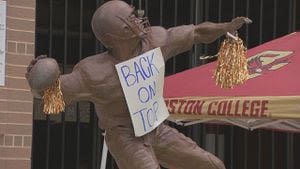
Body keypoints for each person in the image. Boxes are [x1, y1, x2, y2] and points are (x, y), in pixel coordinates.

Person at [26, 0, 251, 168]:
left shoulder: (156, 41)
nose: (138, 18)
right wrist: (37, 80)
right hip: (125, 135)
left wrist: (224, 27)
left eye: (135, 14)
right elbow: (49, 95)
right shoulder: (93, 74)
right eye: (130, 18)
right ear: (117, 34)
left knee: (213, 165)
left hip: (156, 128)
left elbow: (197, 32)